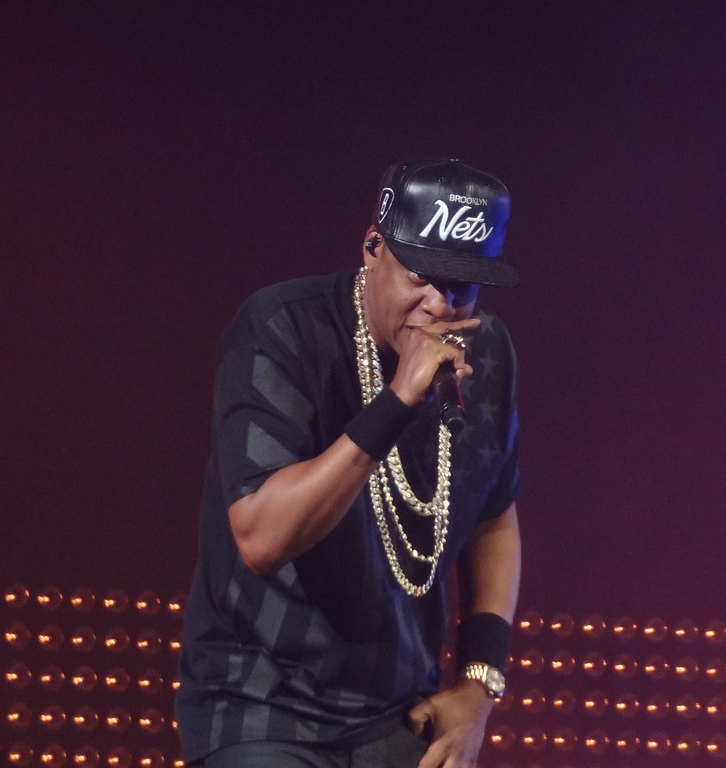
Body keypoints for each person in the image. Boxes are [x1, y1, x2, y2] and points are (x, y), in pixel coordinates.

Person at [176, 158, 523, 768]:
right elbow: (262, 537)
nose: (439, 305)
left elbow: (494, 520)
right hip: (263, 704)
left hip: (397, 710)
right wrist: (395, 403)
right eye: (422, 277)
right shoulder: (283, 327)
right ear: (373, 248)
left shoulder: (485, 350)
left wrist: (479, 685)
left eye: (462, 286)